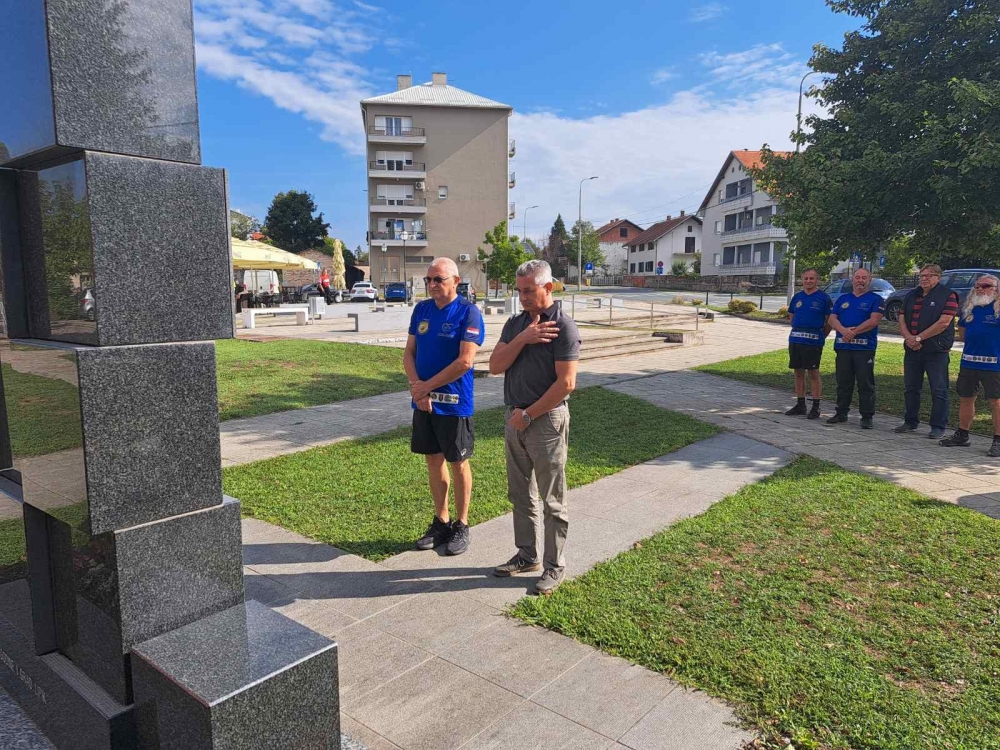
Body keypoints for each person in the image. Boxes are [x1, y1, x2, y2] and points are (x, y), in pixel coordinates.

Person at [489, 260, 580, 596]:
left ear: (548, 288)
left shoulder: (563, 327)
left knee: (552, 499)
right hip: (515, 420)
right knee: (520, 494)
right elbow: (495, 366)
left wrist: (527, 415)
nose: (523, 296)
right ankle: (527, 556)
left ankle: (554, 567)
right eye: (519, 290)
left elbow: (567, 383)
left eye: (529, 290)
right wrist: (524, 339)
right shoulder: (515, 325)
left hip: (545, 422)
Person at [403, 258, 485, 556]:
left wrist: (427, 386)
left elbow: (465, 361)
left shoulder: (469, 312)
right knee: (432, 460)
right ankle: (441, 520)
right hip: (424, 402)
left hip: (454, 404)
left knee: (458, 462)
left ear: (455, 281)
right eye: (429, 280)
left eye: (438, 279)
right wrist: (417, 388)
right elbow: (409, 354)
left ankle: (461, 524)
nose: (432, 285)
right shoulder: (421, 310)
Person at [895, 264, 959, 439]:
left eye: (929, 276)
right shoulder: (911, 295)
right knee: (911, 387)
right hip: (912, 349)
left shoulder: (948, 295)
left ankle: (938, 426)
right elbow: (901, 318)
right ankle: (910, 421)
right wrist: (909, 338)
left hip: (936, 350)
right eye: (922, 275)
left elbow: (943, 323)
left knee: (939, 389)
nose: (924, 278)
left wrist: (919, 338)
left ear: (938, 277)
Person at [939, 274, 1000, 456]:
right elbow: (963, 335)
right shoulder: (969, 309)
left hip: (994, 365)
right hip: (969, 362)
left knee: (996, 402)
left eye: (986, 285)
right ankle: (962, 434)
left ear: (996, 290)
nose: (980, 289)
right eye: (977, 285)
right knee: (966, 398)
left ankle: (997, 440)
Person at [825, 268, 885, 429]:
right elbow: (832, 318)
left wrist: (853, 332)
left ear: (869, 279)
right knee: (843, 382)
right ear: (853, 279)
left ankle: (866, 416)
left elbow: (874, 321)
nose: (860, 280)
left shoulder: (875, 299)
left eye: (864, 278)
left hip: (864, 349)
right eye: (857, 277)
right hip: (843, 347)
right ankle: (841, 413)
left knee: (865, 383)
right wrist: (844, 331)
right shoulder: (843, 299)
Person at [784, 268, 832, 419]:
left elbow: (829, 321)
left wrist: (821, 335)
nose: (808, 281)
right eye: (806, 278)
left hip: (813, 341)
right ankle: (800, 404)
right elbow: (792, 318)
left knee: (813, 373)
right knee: (798, 373)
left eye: (812, 278)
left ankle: (816, 407)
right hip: (796, 339)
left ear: (817, 280)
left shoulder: (824, 298)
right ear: (802, 279)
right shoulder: (797, 297)